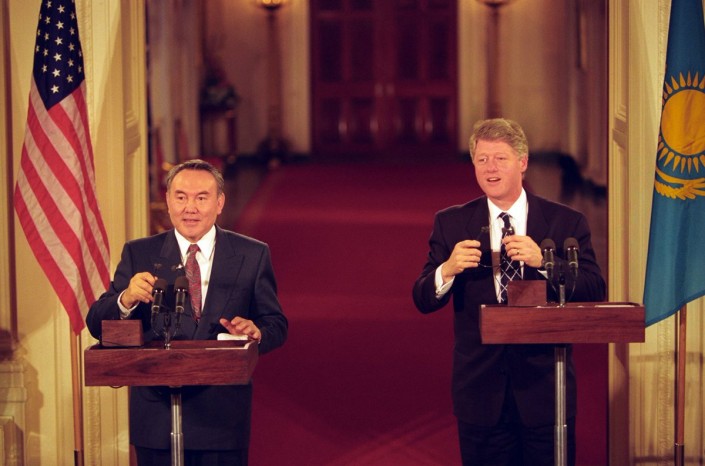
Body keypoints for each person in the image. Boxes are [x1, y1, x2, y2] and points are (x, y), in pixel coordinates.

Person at [412, 118, 605, 466]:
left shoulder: (565, 222)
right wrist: (448, 269)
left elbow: (593, 288)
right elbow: (422, 298)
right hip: (480, 394)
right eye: (482, 159)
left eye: (500, 158)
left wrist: (545, 262)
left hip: (546, 391)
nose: (491, 168)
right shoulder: (452, 223)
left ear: (523, 162)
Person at [87, 159, 287, 466]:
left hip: (221, 419)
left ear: (219, 203)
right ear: (168, 201)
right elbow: (96, 323)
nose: (189, 208)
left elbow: (276, 323)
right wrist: (126, 299)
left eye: (201, 198)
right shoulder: (140, 253)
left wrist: (256, 332)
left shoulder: (252, 253)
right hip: (157, 417)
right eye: (180, 197)